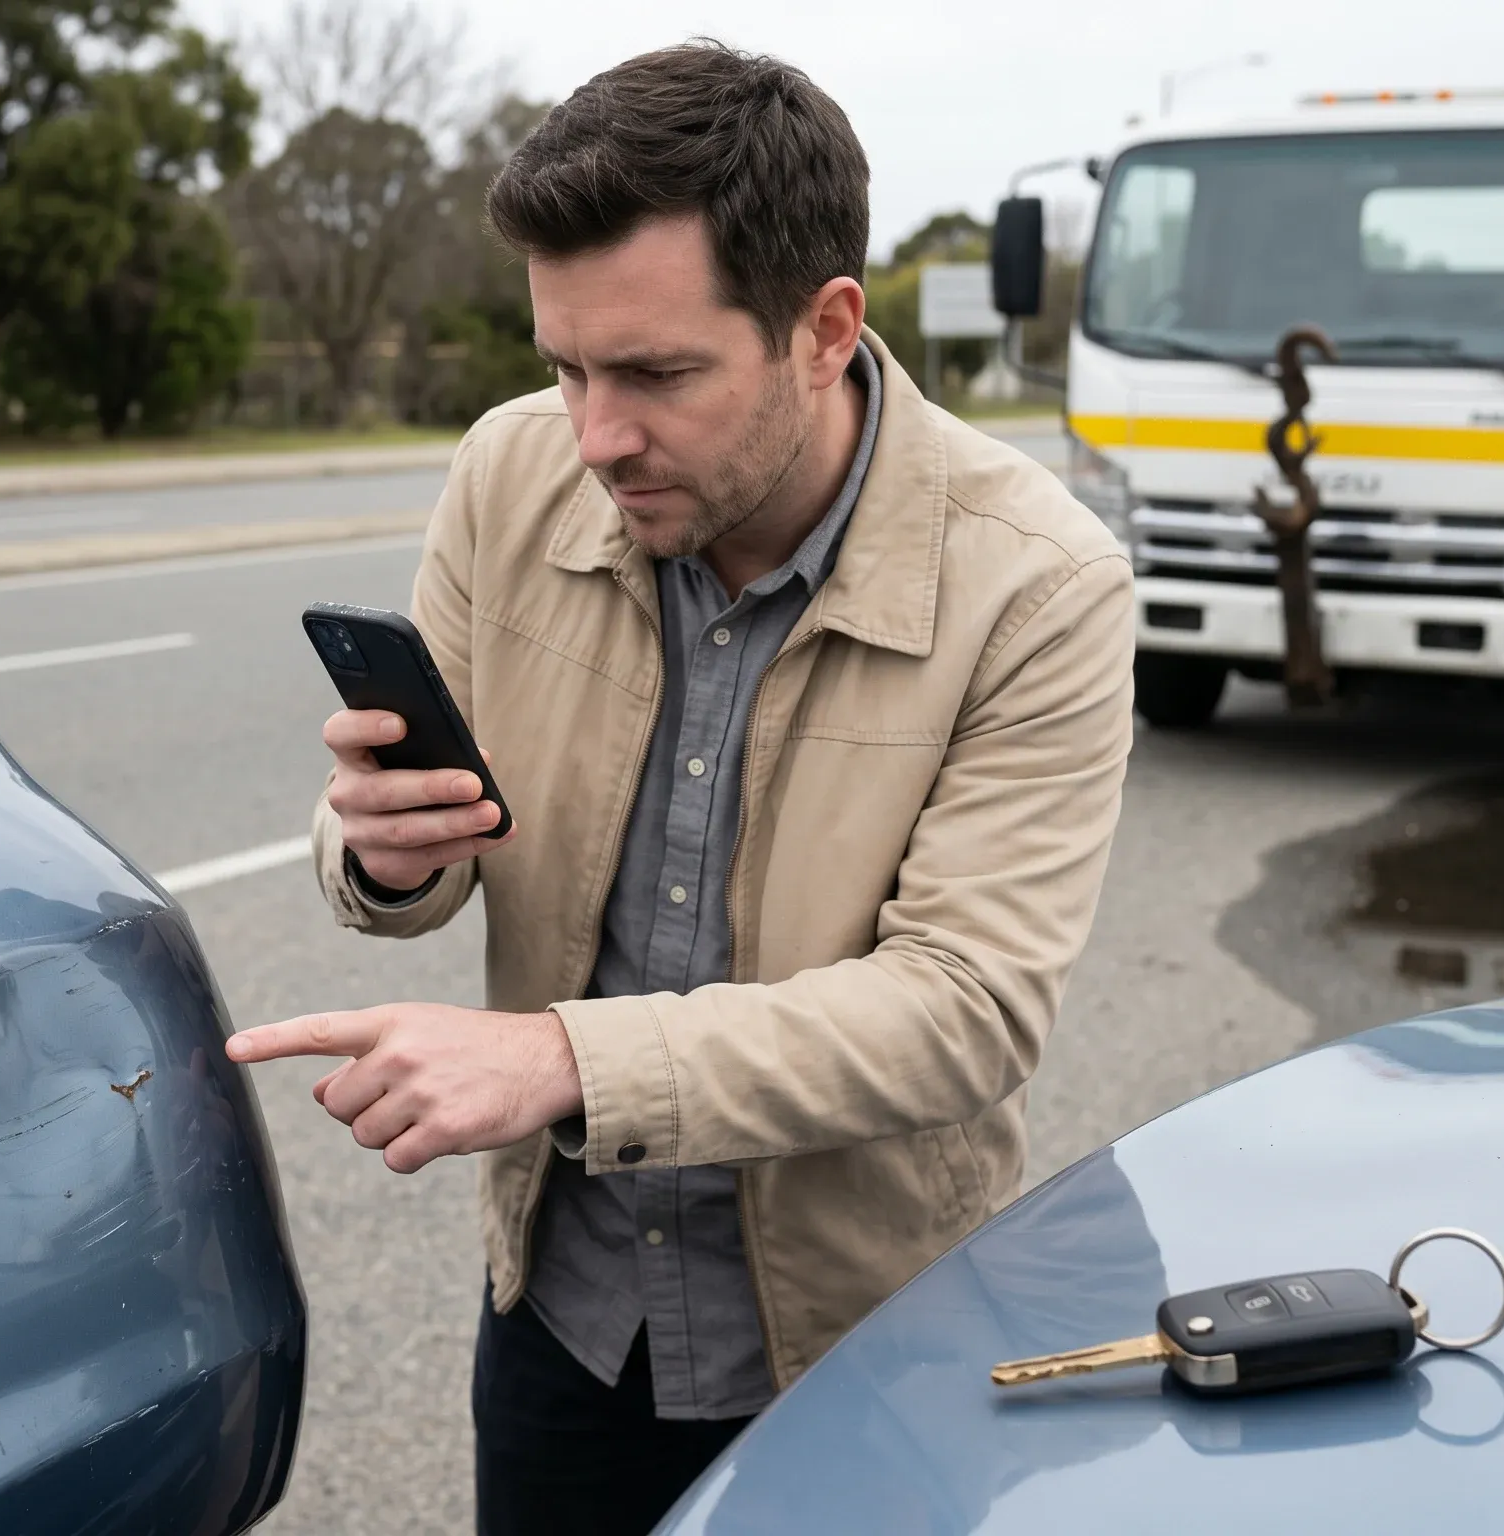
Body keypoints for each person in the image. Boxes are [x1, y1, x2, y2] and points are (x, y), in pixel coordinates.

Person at [224, 41, 1134, 1536]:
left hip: (865, 1350)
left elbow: (966, 1007)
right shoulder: (509, 478)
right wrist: (384, 854)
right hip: (565, 1315)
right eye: (564, 366)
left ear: (826, 327)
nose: (596, 438)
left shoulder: (1037, 584)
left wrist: (566, 1063)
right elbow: (409, 844)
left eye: (654, 373)